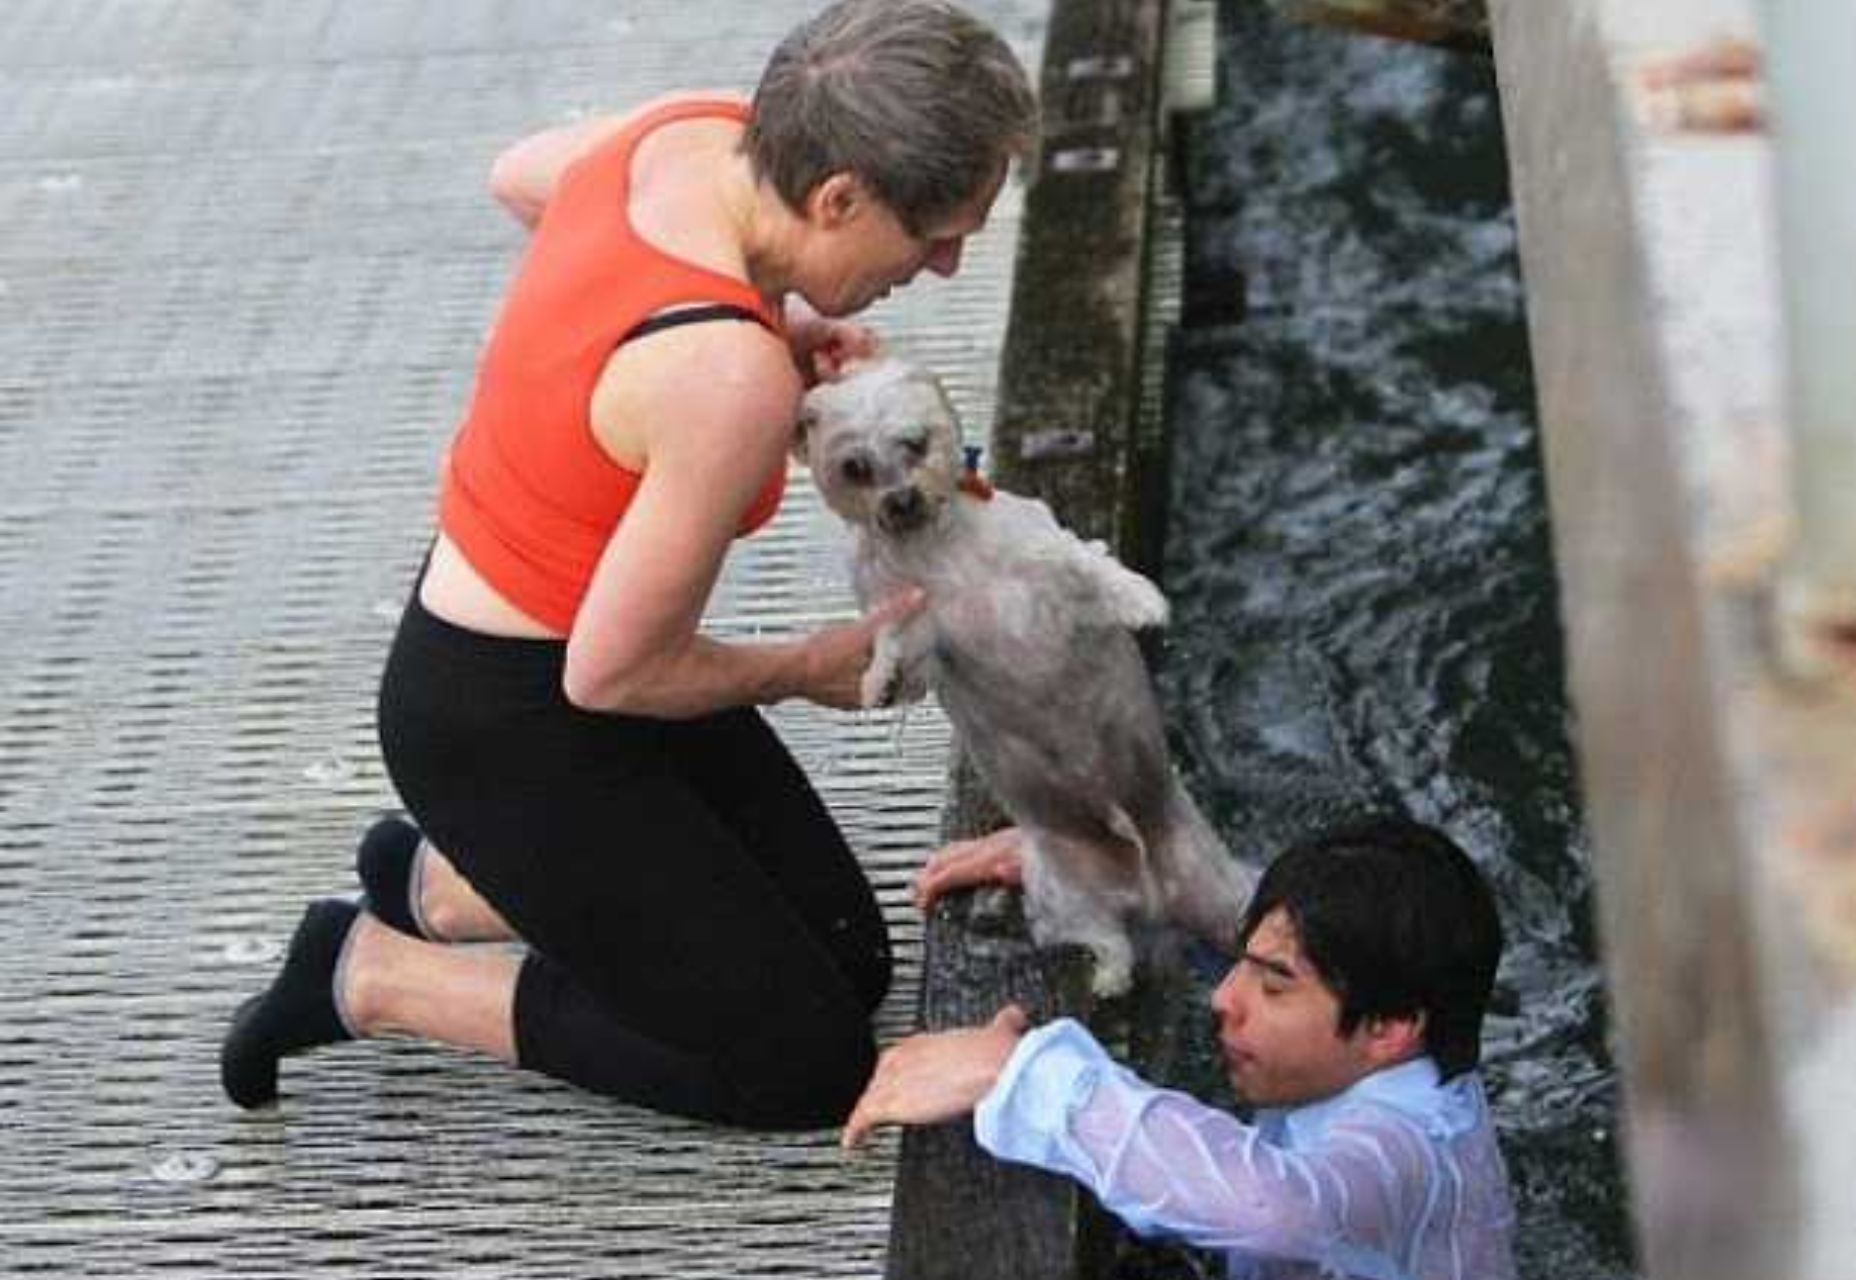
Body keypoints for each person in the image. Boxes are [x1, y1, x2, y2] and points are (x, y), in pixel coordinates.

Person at [219, 0, 1038, 1130]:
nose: (945, 266)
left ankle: (446, 887)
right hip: (500, 720)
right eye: (936, 234)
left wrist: (746, 318)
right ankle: (369, 968)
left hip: (561, 642)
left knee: (848, 960)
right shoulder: (728, 378)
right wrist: (811, 663)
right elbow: (610, 677)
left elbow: (523, 176)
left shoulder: (691, 134)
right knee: (807, 1066)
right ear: (838, 197)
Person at [844, 817, 1521, 1279]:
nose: (1224, 998)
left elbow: (1272, 1208)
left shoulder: (1407, 1152)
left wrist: (1019, 1074)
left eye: (1274, 986)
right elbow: (1253, 925)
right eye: (1244, 964)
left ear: (1389, 1028)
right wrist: (1105, 873)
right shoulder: (1403, 1036)